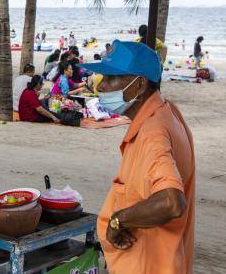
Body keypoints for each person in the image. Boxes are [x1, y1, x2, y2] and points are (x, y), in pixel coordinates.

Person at [82, 41, 194, 274]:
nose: (101, 87)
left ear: (140, 84)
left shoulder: (153, 132)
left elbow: (171, 202)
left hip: (148, 264)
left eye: (111, 78)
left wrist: (118, 221)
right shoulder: (167, 112)